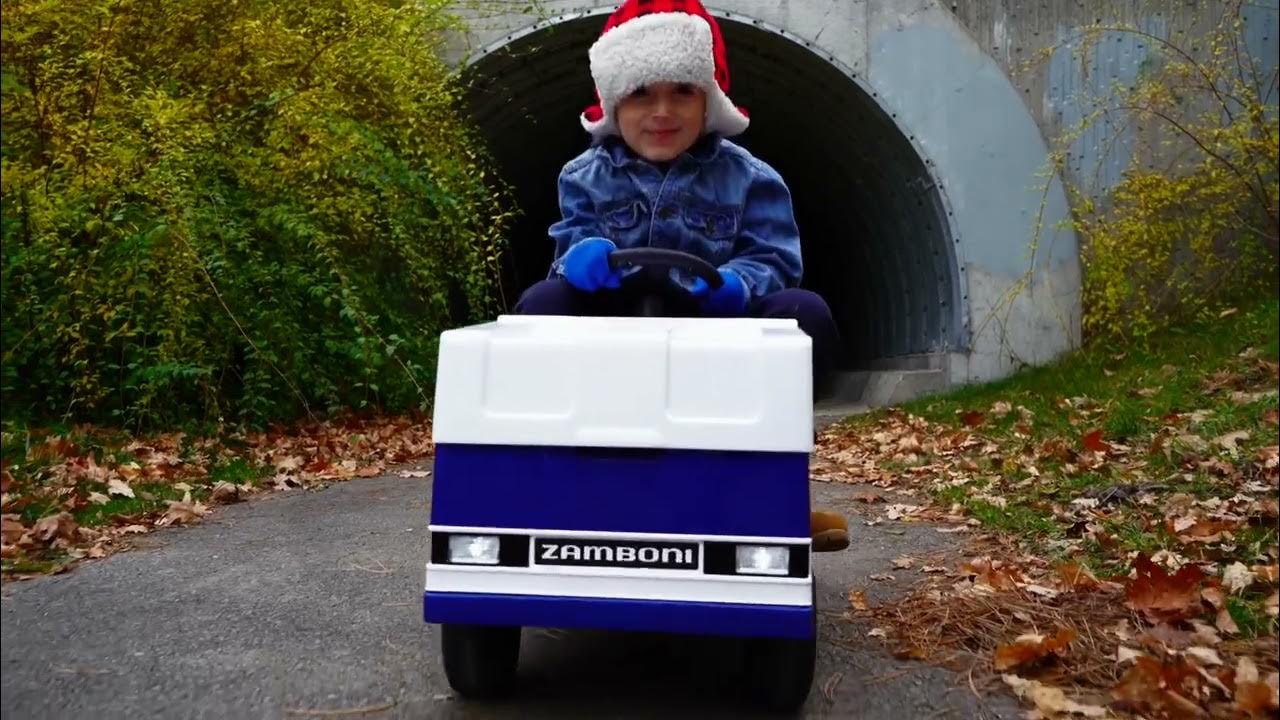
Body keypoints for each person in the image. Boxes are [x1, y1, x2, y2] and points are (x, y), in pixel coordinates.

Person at [513, 0, 848, 553]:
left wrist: (738, 285)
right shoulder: (582, 175)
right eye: (642, 93)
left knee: (804, 313)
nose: (661, 111)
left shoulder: (751, 177)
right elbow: (570, 239)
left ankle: (776, 482)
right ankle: (545, 469)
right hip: (615, 325)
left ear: (709, 100)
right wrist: (580, 257)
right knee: (540, 304)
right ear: (613, 103)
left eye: (682, 92)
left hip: (717, 329)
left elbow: (774, 256)